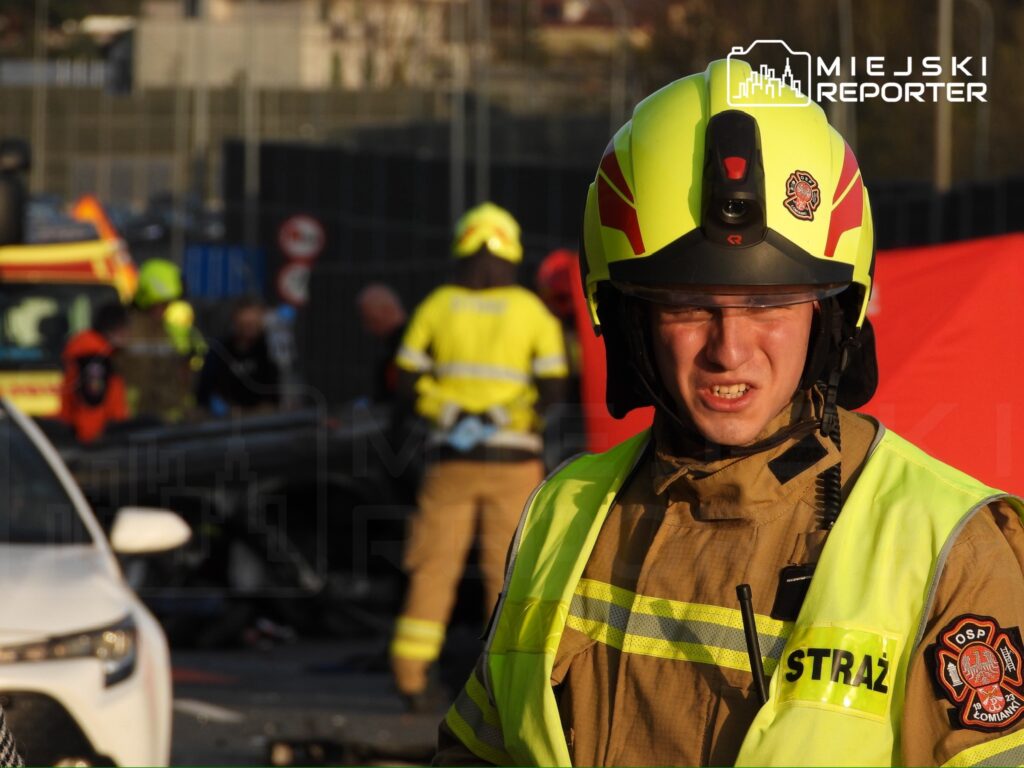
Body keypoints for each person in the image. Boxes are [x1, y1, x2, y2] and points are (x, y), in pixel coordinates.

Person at [436, 60, 1024, 766]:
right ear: (629, 321)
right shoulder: (562, 514)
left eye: (769, 304)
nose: (729, 349)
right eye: (689, 306)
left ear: (833, 317)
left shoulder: (949, 547)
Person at [390, 201, 569, 711]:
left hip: (451, 459)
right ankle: (505, 685)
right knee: (508, 573)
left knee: (433, 568)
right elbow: (554, 387)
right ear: (511, 253)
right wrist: (510, 413)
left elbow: (405, 380)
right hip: (514, 461)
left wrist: (444, 410)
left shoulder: (437, 305)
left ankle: (411, 678)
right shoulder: (531, 311)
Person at [117, 258, 202, 422]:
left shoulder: (171, 331)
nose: (164, 309)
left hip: (169, 421)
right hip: (131, 423)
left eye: (168, 304)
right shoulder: (125, 329)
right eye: (162, 304)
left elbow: (181, 377)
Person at [196, 297, 280, 415]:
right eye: (245, 325)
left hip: (263, 421)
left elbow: (277, 397)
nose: (249, 329)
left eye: (253, 324)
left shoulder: (269, 350)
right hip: (226, 422)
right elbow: (204, 394)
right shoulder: (220, 351)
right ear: (235, 321)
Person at [58, 301, 129, 443]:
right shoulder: (94, 358)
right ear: (116, 328)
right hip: (95, 441)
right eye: (126, 329)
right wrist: (93, 446)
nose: (129, 335)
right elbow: (92, 405)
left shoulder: (93, 352)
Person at [356, 282, 407, 402]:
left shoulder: (404, 344)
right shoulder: (390, 345)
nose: (367, 328)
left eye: (370, 319)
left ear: (387, 310)